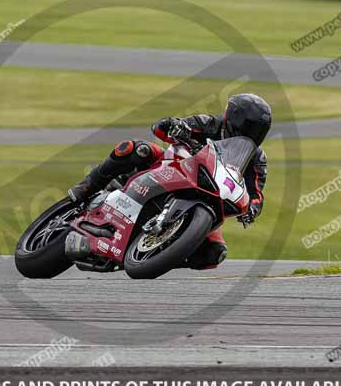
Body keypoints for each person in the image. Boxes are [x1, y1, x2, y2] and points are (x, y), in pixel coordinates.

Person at [68, 93, 272, 270]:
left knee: (214, 253)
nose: (253, 133)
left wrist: (253, 209)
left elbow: (256, 193)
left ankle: (153, 256)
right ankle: (85, 188)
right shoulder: (209, 124)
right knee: (135, 149)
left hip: (209, 197)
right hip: (171, 167)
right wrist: (175, 126)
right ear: (235, 119)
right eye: (251, 126)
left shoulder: (256, 158)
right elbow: (164, 126)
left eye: (259, 129)